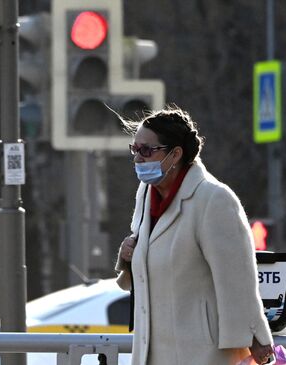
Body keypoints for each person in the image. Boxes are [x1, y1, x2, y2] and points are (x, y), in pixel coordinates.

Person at [114, 106, 274, 365]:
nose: (137, 159)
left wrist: (257, 340)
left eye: (146, 151)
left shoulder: (213, 198)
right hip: (152, 353)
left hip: (203, 353)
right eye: (134, 150)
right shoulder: (146, 194)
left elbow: (237, 277)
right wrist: (128, 258)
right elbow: (148, 269)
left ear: (175, 154)